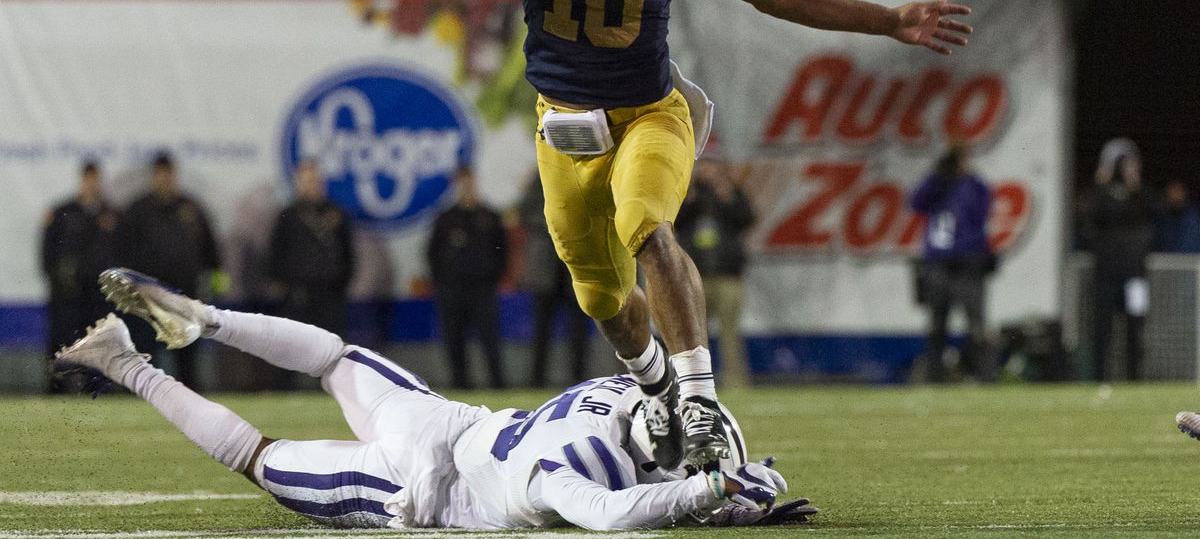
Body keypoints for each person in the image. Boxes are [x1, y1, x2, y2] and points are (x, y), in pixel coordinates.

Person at [407, 0, 972, 471]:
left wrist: (886, 19)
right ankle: (657, 386)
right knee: (598, 294)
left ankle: (700, 402)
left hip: (649, 112)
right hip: (563, 123)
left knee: (647, 225)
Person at [56, 268, 808, 529]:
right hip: (418, 489)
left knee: (334, 355)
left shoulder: (619, 397)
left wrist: (723, 495)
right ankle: (124, 364)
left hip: (448, 422)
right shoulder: (574, 468)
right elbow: (618, 513)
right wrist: (715, 490)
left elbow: (657, 464)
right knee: (261, 457)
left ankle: (209, 319)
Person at [115, 151, 220, 389]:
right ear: (153, 176)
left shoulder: (191, 209)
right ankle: (142, 397)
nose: (164, 179)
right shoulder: (138, 210)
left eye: (168, 174)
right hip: (147, 298)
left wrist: (215, 290)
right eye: (160, 174)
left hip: (184, 296)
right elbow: (120, 252)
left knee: (186, 355)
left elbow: (211, 255)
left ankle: (190, 398)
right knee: (145, 355)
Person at [909, 144, 995, 383]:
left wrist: (964, 179)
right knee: (937, 327)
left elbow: (983, 209)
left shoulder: (973, 186)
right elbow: (915, 203)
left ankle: (985, 378)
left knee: (976, 326)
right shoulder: (938, 184)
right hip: (939, 263)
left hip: (968, 264)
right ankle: (934, 378)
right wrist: (938, 176)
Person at [675, 156, 755, 388]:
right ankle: (698, 383)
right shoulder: (689, 194)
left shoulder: (730, 193)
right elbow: (674, 221)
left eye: (714, 167)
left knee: (730, 333)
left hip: (727, 276)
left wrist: (727, 196)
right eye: (705, 167)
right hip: (695, 277)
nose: (709, 172)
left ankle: (736, 381)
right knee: (696, 335)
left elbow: (748, 218)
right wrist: (690, 196)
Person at [426, 166, 508, 389]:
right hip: (452, 291)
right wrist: (443, 284)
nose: (467, 188)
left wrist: (492, 277)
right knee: (455, 341)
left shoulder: (489, 217)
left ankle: (498, 386)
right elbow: (432, 255)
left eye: (470, 183)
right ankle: (460, 386)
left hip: (483, 290)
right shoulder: (446, 219)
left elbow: (503, 252)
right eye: (462, 184)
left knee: (490, 341)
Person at [1079, 138, 1154, 381]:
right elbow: (1087, 220)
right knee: (1103, 328)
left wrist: (1136, 185)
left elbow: (1155, 212)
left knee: (1136, 328)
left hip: (1135, 274)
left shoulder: (1139, 195)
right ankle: (1100, 378)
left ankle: (1135, 378)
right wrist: (1101, 182)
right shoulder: (1100, 195)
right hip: (1107, 274)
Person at [40, 159, 118, 392]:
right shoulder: (63, 211)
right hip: (68, 294)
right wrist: (58, 281)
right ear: (81, 180)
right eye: (87, 179)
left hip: (98, 295)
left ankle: (96, 390)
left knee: (99, 345)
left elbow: (121, 252)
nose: (91, 184)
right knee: (62, 344)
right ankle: (56, 390)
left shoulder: (110, 214)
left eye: (95, 179)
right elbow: (47, 254)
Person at [266, 158, 355, 339]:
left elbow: (347, 254)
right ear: (298, 184)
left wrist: (339, 284)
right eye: (306, 182)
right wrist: (288, 284)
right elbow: (276, 255)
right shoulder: (288, 216)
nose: (311, 186)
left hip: (330, 296)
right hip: (298, 296)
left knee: (331, 346)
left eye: (315, 181)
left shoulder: (336, 214)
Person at [517, 174, 591, 388]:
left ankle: (579, 379)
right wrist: (556, 224)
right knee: (541, 329)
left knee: (578, 329)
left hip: (574, 265)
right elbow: (525, 212)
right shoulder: (540, 175)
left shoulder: (581, 172)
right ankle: (536, 380)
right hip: (546, 267)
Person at [1155, 180, 1200, 254]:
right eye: (1172, 192)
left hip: (1191, 262)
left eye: (1178, 191)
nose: (1175, 196)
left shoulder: (1194, 220)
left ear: (1184, 193)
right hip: (1166, 262)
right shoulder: (1161, 222)